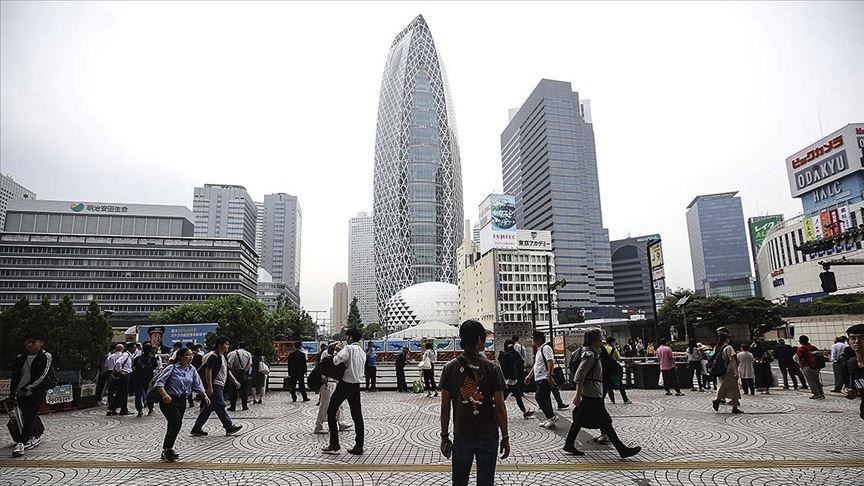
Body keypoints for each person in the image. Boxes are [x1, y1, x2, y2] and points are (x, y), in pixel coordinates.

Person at [440, 320, 510, 486]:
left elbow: (445, 407)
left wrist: (444, 436)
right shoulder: (493, 368)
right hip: (488, 434)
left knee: (459, 481)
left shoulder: (449, 368)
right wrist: (505, 437)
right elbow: (500, 406)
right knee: (486, 481)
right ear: (479, 339)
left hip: (462, 434)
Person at [563, 328, 641, 458]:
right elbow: (580, 375)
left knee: (579, 419)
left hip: (591, 392)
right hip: (591, 393)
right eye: (600, 337)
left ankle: (569, 444)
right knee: (605, 421)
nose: (602, 340)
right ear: (594, 340)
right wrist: (577, 395)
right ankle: (622, 449)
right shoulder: (590, 355)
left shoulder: (594, 352)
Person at [154, 347, 210, 462]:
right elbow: (159, 383)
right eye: (187, 355)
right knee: (175, 422)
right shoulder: (171, 368)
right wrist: (164, 395)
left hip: (182, 400)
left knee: (176, 424)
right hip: (169, 400)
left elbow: (197, 384)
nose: (190, 357)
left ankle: (167, 449)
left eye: (191, 355)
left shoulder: (192, 369)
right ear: (180, 357)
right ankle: (167, 449)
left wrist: (204, 395)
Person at [9, 332, 54, 457]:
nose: (29, 344)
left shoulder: (45, 356)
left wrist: (27, 388)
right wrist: (13, 391)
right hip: (20, 393)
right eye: (27, 342)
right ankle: (35, 435)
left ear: (41, 343)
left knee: (30, 415)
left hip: (36, 392)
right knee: (26, 415)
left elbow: (42, 375)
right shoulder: (20, 357)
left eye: (33, 342)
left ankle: (21, 443)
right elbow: (15, 376)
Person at [322, 327, 366, 455]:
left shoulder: (348, 348)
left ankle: (334, 443)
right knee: (357, 415)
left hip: (345, 384)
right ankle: (359, 445)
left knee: (331, 411)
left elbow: (336, 361)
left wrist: (337, 351)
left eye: (348, 337)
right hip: (356, 385)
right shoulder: (362, 351)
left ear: (350, 337)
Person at [190, 336, 243, 436]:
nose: (228, 346)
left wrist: (234, 381)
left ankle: (197, 428)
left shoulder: (223, 357)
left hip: (220, 384)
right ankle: (229, 426)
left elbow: (227, 371)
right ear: (220, 345)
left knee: (208, 407)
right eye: (226, 344)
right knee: (220, 405)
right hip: (215, 384)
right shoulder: (213, 356)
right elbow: (208, 371)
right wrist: (210, 386)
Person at [314, 342, 352, 434]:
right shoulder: (326, 355)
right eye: (335, 346)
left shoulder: (336, 356)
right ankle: (318, 426)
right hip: (327, 383)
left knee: (338, 404)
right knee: (324, 405)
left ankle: (341, 422)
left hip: (333, 383)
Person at [525, 330, 557, 429]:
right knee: (546, 398)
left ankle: (552, 417)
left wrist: (549, 375)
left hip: (544, 377)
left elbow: (550, 361)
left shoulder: (546, 348)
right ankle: (549, 418)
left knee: (539, 397)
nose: (533, 341)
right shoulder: (540, 349)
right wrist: (529, 376)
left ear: (539, 340)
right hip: (539, 377)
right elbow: (537, 365)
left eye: (534, 339)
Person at [498, 339, 535, 419]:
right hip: (509, 380)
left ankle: (524, 412)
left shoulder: (505, 354)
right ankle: (494, 410)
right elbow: (518, 358)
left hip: (511, 380)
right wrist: (513, 350)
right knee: (504, 398)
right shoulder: (506, 355)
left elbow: (520, 360)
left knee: (516, 396)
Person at [712, 327, 743, 414]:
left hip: (720, 370)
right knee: (734, 388)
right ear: (726, 339)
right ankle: (733, 407)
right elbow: (732, 360)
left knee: (722, 386)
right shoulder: (728, 347)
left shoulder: (716, 347)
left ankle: (719, 399)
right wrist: (736, 372)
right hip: (729, 370)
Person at [840, 324, 864, 421]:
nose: (857, 341)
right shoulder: (849, 365)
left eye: (861, 338)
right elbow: (853, 392)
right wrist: (849, 393)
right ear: (848, 341)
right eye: (853, 338)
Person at [132, 342, 160, 417]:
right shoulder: (153, 358)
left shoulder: (137, 358)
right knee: (149, 394)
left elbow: (134, 367)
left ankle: (139, 410)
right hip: (149, 379)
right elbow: (155, 367)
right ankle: (150, 409)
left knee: (138, 395)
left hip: (138, 379)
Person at [107, 343, 134, 416]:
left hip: (125, 374)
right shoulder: (126, 354)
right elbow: (118, 362)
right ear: (129, 348)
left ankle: (112, 409)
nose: (135, 349)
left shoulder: (129, 355)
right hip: (124, 375)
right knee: (123, 393)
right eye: (133, 347)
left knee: (120, 393)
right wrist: (121, 370)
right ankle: (122, 409)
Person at [796, 335, 825, 400]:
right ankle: (821, 393)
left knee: (811, 381)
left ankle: (816, 394)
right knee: (817, 380)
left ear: (800, 341)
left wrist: (801, 366)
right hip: (816, 366)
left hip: (807, 366)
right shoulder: (813, 347)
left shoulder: (801, 349)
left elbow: (800, 358)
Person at [603, 337, 630, 404]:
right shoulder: (613, 349)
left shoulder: (604, 349)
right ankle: (625, 399)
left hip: (606, 370)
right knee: (620, 384)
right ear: (612, 342)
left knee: (608, 385)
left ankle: (612, 399)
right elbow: (618, 358)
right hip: (613, 370)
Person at [227, 342, 252, 411]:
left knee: (233, 390)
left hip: (234, 373)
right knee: (244, 390)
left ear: (238, 346)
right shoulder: (248, 354)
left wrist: (231, 372)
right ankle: (244, 406)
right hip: (243, 373)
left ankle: (233, 406)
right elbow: (250, 363)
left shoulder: (232, 353)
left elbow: (229, 363)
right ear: (245, 347)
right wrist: (245, 370)